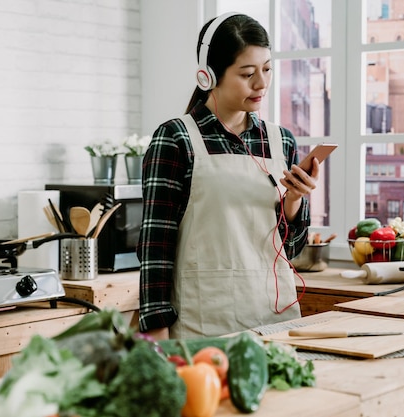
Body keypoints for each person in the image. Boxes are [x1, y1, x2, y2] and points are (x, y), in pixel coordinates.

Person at [137, 12, 319, 340]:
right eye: (247, 73)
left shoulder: (282, 142)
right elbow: (155, 248)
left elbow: (291, 250)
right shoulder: (176, 139)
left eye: (267, 69)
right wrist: (157, 336)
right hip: (203, 325)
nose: (261, 83)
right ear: (208, 76)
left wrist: (293, 200)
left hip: (275, 322)